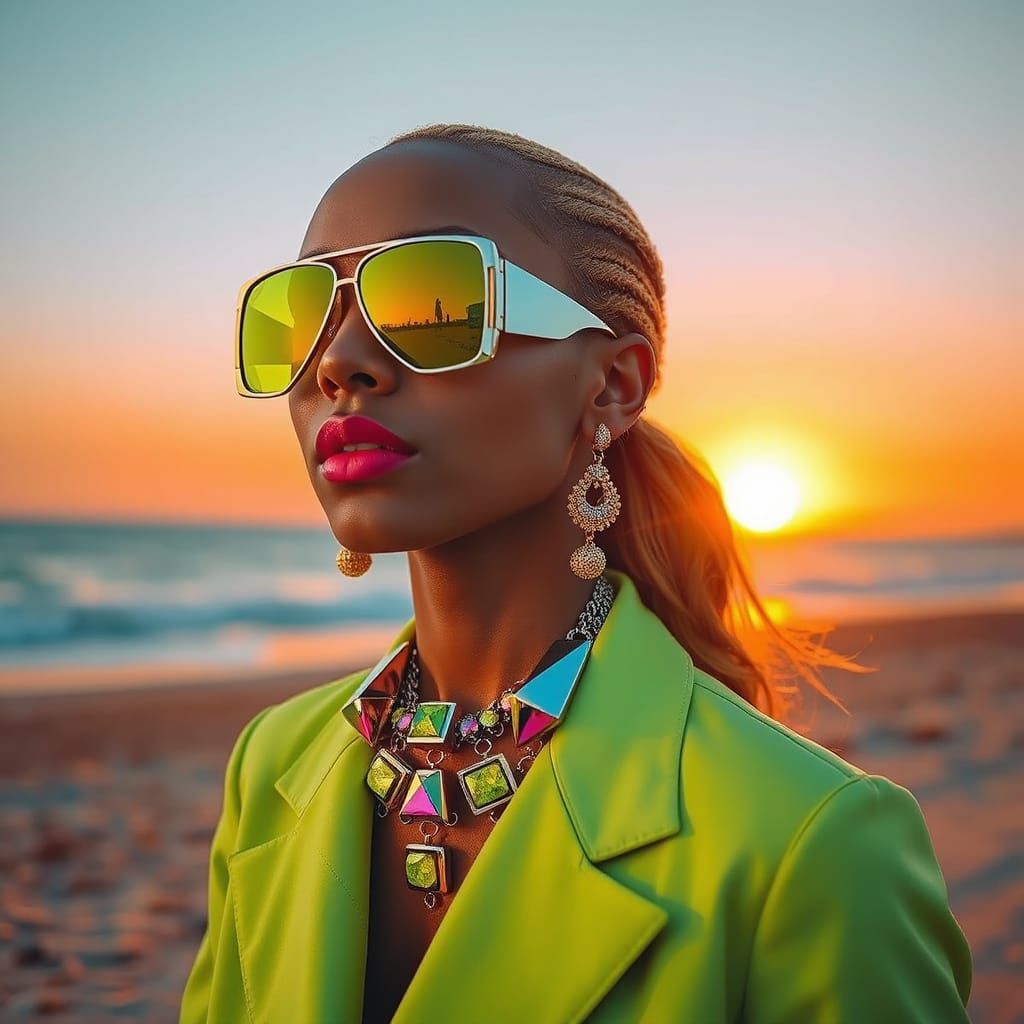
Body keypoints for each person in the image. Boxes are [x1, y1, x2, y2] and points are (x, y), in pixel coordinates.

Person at [181, 123, 973, 1023]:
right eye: (304, 312)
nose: (338, 362)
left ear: (611, 386)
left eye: (431, 304)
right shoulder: (272, 764)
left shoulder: (810, 838)